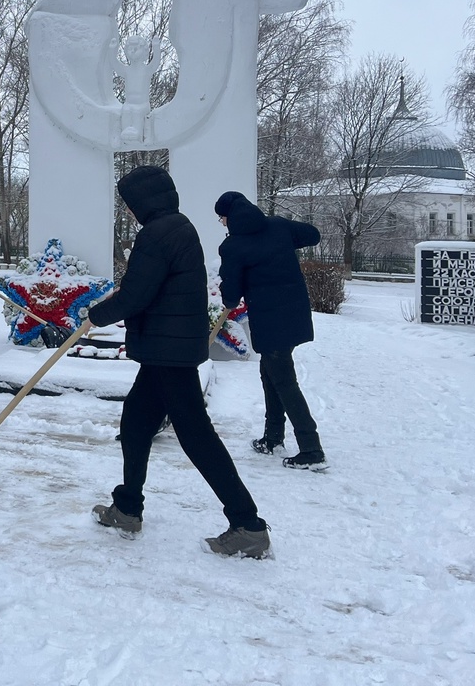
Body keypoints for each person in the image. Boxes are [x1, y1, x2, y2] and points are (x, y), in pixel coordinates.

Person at [87, 166, 271, 559]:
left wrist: (96, 315)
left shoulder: (156, 233)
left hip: (167, 352)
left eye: (131, 202)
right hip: (166, 349)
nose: (130, 210)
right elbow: (152, 285)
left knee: (196, 435)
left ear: (142, 200)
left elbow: (137, 295)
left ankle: (248, 524)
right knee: (135, 424)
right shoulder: (177, 226)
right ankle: (128, 507)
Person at [215, 190, 327, 470]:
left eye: (221, 219)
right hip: (294, 312)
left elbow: (232, 290)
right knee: (270, 373)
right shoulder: (279, 226)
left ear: (228, 217)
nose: (222, 224)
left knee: (284, 381)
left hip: (269, 318)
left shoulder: (234, 246)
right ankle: (272, 437)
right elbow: (312, 235)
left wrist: (228, 300)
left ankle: (311, 449)